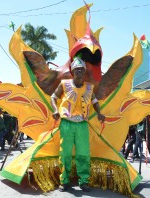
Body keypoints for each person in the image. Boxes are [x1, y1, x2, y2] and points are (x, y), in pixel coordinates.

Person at [51, 57, 105, 192]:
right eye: (77, 70)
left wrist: (99, 113)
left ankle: (84, 181)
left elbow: (94, 102)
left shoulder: (89, 87)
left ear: (84, 72)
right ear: (72, 71)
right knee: (65, 153)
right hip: (67, 124)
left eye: (82, 70)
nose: (80, 72)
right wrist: (55, 110)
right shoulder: (64, 84)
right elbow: (53, 97)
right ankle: (64, 180)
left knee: (83, 153)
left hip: (82, 124)